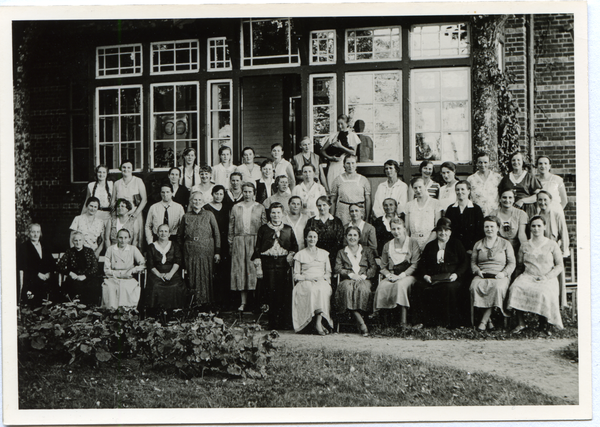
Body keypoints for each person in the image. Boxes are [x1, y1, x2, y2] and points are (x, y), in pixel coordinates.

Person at [507, 216, 565, 333]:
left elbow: (559, 266)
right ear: (530, 228)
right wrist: (515, 279)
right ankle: (521, 323)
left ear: (544, 227)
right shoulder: (525, 245)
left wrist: (546, 277)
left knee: (543, 292)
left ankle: (544, 323)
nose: (536, 229)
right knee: (515, 288)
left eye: (539, 226)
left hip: (547, 277)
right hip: (528, 275)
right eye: (533, 226)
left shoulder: (552, 244)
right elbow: (519, 265)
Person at [411, 218, 469, 328]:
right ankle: (422, 322)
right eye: (440, 231)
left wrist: (456, 274)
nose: (443, 233)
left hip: (451, 277)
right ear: (436, 232)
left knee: (448, 288)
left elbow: (464, 262)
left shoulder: (456, 244)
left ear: (450, 232)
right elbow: (422, 264)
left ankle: (447, 323)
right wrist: (425, 276)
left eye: (446, 230)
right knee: (418, 286)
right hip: (433, 278)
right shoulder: (430, 246)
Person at [253, 203, 298, 330]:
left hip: (283, 264)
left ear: (283, 214)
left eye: (278, 212)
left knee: (283, 292)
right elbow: (257, 248)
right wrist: (259, 266)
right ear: (270, 214)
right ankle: (272, 322)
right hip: (268, 264)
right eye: (273, 212)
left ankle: (284, 322)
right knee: (270, 291)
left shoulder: (288, 229)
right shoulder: (263, 229)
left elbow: (294, 246)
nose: (276, 215)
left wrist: (291, 254)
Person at [470, 216, 516, 331]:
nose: (489, 229)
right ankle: (489, 320)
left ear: (498, 228)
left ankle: (483, 321)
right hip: (482, 274)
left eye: (492, 226)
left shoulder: (505, 244)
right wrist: (477, 271)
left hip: (499, 275)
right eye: (486, 226)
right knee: (474, 287)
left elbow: (512, 263)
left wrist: (504, 273)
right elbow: (473, 262)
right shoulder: (478, 244)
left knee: (497, 287)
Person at [374, 218, 421, 325]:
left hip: (408, 275)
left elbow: (415, 264)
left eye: (399, 228)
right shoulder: (387, 245)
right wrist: (389, 275)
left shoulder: (412, 242)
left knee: (400, 285)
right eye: (393, 229)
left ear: (404, 229)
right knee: (382, 286)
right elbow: (383, 266)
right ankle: (385, 323)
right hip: (392, 275)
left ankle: (402, 322)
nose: (396, 232)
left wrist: (400, 276)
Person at [228, 182, 267, 311]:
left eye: (250, 191)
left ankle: (257, 302)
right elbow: (231, 227)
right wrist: (231, 244)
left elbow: (264, 227)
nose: (247, 194)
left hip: (254, 241)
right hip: (239, 241)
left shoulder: (260, 207)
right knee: (241, 271)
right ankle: (243, 302)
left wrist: (261, 246)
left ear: (254, 193)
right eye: (245, 191)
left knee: (254, 270)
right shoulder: (236, 207)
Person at [178, 191, 221, 307]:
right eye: (195, 200)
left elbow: (216, 233)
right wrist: (184, 249)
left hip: (206, 250)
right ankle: (194, 302)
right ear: (191, 202)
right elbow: (179, 236)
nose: (197, 202)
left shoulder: (209, 214)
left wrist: (217, 252)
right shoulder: (186, 216)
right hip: (191, 251)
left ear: (203, 202)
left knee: (206, 275)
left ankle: (207, 303)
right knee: (192, 275)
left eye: (199, 200)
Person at [334, 226, 378, 336]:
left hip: (364, 279)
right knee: (347, 289)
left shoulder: (367, 251)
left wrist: (363, 276)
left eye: (355, 235)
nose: (352, 238)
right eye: (350, 235)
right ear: (346, 237)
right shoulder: (341, 252)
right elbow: (337, 268)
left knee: (363, 289)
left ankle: (359, 319)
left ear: (359, 237)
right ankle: (361, 322)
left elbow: (373, 267)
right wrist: (351, 274)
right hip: (348, 279)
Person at [292, 228, 333, 334]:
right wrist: (307, 278)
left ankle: (318, 322)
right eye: (310, 237)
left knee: (321, 289)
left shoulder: (324, 254)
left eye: (314, 237)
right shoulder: (300, 254)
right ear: (306, 238)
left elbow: (328, 272)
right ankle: (312, 322)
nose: (312, 239)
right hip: (305, 280)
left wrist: (322, 278)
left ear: (317, 239)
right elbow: (296, 275)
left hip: (320, 279)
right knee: (310, 289)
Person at [145, 224, 187, 316]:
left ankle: (174, 312)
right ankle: (157, 313)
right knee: (156, 285)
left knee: (176, 285)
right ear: (157, 233)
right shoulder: (151, 247)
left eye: (165, 231)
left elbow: (177, 261)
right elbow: (150, 265)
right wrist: (159, 275)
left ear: (169, 234)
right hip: (156, 273)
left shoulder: (175, 245)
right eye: (161, 231)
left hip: (172, 272)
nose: (163, 233)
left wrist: (170, 274)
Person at [102, 228, 145, 310]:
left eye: (125, 238)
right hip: (113, 277)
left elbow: (143, 264)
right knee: (111, 288)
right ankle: (112, 312)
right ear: (117, 238)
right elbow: (106, 270)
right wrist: (120, 274)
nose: (123, 240)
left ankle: (127, 312)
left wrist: (133, 270)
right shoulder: (110, 249)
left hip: (128, 278)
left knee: (125, 287)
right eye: (120, 237)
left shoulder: (133, 249)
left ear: (129, 239)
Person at [203, 185, 232, 308]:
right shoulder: (206, 208)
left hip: (225, 242)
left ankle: (225, 301)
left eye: (221, 194)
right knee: (213, 270)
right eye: (216, 193)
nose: (218, 196)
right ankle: (213, 300)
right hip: (211, 241)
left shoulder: (227, 207)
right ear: (212, 194)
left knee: (225, 271)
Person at [17, 223, 59, 307]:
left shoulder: (45, 245)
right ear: (28, 233)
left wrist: (49, 273)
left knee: (55, 292)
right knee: (36, 299)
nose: (36, 234)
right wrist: (37, 274)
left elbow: (51, 262)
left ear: (40, 233)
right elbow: (23, 264)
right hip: (32, 276)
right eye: (33, 232)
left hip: (46, 276)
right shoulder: (23, 247)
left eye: (38, 232)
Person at [57, 231, 100, 306]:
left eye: (80, 240)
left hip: (87, 278)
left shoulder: (89, 251)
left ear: (83, 241)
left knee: (93, 286)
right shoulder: (69, 252)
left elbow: (95, 268)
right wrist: (70, 273)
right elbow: (59, 266)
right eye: (76, 240)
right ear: (73, 241)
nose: (78, 242)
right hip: (74, 278)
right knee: (71, 286)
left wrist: (85, 276)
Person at [443, 180, 484, 253]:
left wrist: (472, 248)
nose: (459, 192)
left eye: (462, 189)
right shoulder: (450, 209)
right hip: (453, 250)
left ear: (468, 191)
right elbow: (446, 229)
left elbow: (480, 231)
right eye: (457, 190)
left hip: (471, 250)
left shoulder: (476, 209)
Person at [499, 152, 542, 219]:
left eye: (518, 160)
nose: (516, 162)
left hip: (527, 209)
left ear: (523, 162)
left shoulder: (529, 177)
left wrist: (523, 200)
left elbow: (539, 195)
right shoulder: (506, 178)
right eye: (513, 160)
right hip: (510, 209)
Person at [330, 154, 371, 226]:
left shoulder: (363, 180)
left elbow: (368, 200)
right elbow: (333, 200)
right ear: (344, 165)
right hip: (342, 213)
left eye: (353, 163)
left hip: (359, 211)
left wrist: (367, 217)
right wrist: (331, 217)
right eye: (348, 163)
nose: (350, 166)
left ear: (356, 164)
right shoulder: (337, 180)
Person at [306, 195, 345, 270]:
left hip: (333, 256)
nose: (322, 208)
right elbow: (308, 240)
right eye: (319, 205)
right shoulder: (311, 221)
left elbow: (339, 241)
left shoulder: (337, 221)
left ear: (330, 206)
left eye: (324, 205)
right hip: (315, 256)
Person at [321, 114, 360, 186]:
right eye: (338, 124)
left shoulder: (352, 136)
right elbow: (322, 150)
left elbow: (353, 152)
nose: (340, 126)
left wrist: (340, 146)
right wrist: (330, 157)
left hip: (345, 165)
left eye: (342, 124)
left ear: (347, 123)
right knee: (332, 185)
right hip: (333, 165)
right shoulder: (334, 136)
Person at [404, 177, 442, 250]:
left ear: (425, 186)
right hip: (413, 242)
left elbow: (437, 227)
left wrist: (427, 244)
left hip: (430, 241)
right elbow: (407, 228)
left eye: (420, 187)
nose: (418, 190)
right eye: (415, 188)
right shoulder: (409, 205)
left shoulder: (435, 203)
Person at [111, 159, 147, 233]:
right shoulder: (117, 183)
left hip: (134, 214)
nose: (126, 169)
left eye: (128, 167)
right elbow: (113, 201)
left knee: (135, 237)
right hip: (120, 215)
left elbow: (144, 200)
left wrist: (135, 214)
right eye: (124, 167)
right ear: (121, 169)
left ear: (132, 169)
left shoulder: (138, 181)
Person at [491, 189, 528, 255]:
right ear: (500, 199)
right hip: (498, 249)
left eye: (510, 197)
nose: (507, 200)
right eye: (504, 197)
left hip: (515, 248)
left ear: (514, 199)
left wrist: (525, 250)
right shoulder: (493, 214)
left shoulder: (521, 214)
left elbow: (521, 235)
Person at [535, 191, 570, 258]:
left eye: (545, 200)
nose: (542, 203)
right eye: (540, 200)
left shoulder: (557, 216)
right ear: (537, 201)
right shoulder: (535, 217)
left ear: (550, 200)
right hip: (539, 253)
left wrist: (560, 253)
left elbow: (564, 236)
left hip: (553, 252)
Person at [467, 152, 502, 216]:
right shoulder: (471, 179)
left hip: (494, 213)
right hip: (476, 214)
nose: (483, 165)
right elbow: (468, 197)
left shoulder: (497, 177)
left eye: (485, 162)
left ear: (489, 163)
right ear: (477, 163)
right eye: (480, 162)